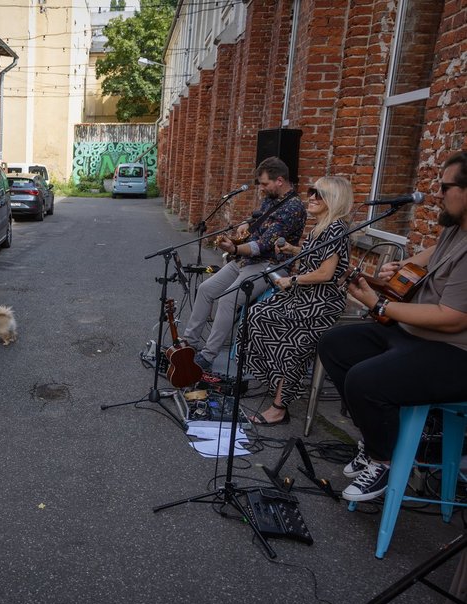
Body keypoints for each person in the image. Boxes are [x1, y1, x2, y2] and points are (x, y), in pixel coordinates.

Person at [318, 151, 467, 502]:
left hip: (454, 354)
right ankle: (374, 442)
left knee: (365, 380)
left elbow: (452, 318)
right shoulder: (454, 231)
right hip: (413, 336)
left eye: (446, 187)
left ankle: (383, 459)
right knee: (335, 345)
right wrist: (396, 269)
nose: (438, 193)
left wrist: (380, 304)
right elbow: (427, 259)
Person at [243, 176, 353, 425]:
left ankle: (279, 405)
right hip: (306, 295)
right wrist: (295, 251)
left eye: (319, 194)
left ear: (334, 200)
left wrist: (291, 281)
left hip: (321, 300)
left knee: (291, 339)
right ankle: (277, 381)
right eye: (311, 192)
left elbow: (326, 274)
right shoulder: (321, 227)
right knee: (257, 315)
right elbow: (318, 258)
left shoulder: (336, 228)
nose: (311, 197)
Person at [182, 157, 307, 371]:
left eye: (265, 184)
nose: (262, 189)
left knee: (229, 300)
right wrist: (245, 224)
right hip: (246, 260)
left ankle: (207, 356)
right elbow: (257, 216)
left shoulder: (293, 208)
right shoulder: (272, 198)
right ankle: (188, 344)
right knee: (205, 289)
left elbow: (262, 245)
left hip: (269, 265)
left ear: (279, 180)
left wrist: (234, 248)